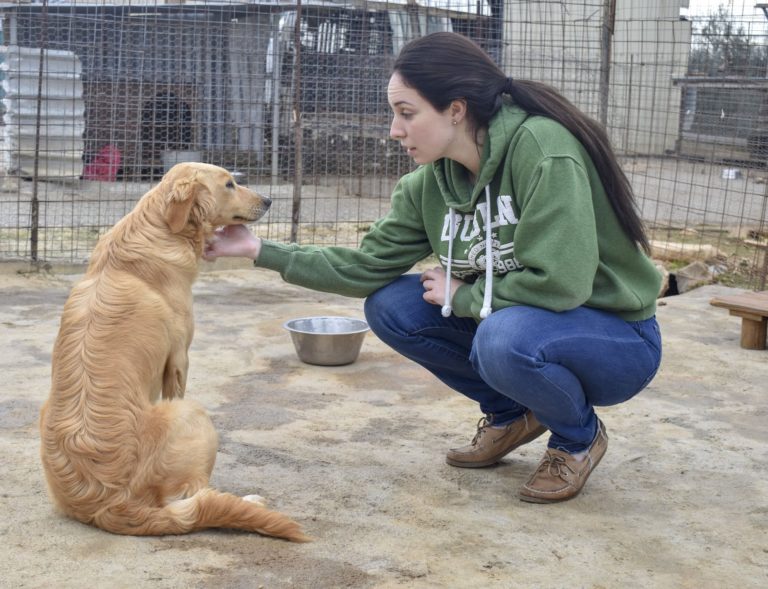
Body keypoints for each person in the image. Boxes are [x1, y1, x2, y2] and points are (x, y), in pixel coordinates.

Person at [204, 32, 662, 503]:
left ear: (456, 110)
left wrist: (463, 297)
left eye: (407, 113)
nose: (394, 130)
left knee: (502, 338)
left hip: (617, 338)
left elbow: (562, 283)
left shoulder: (543, 150)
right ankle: (511, 415)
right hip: (525, 325)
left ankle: (577, 439)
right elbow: (366, 266)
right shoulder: (428, 185)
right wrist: (258, 249)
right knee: (391, 306)